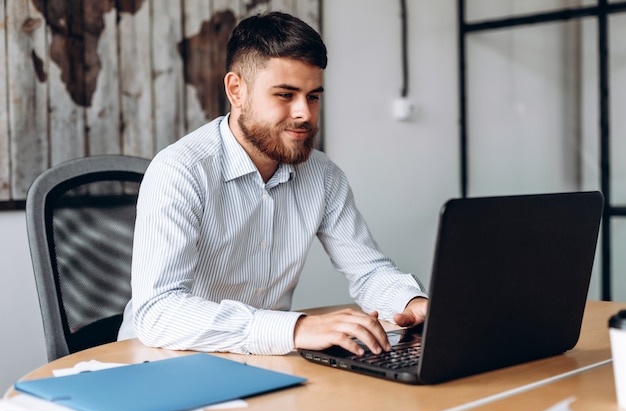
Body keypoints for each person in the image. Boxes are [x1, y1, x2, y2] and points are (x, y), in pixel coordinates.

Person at [118, 11, 428, 357]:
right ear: (237, 90)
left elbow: (368, 272)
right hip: (163, 363)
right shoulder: (180, 171)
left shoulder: (322, 174)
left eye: (313, 96)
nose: (305, 114)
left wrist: (412, 302)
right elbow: (158, 313)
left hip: (265, 364)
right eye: (285, 95)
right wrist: (296, 328)